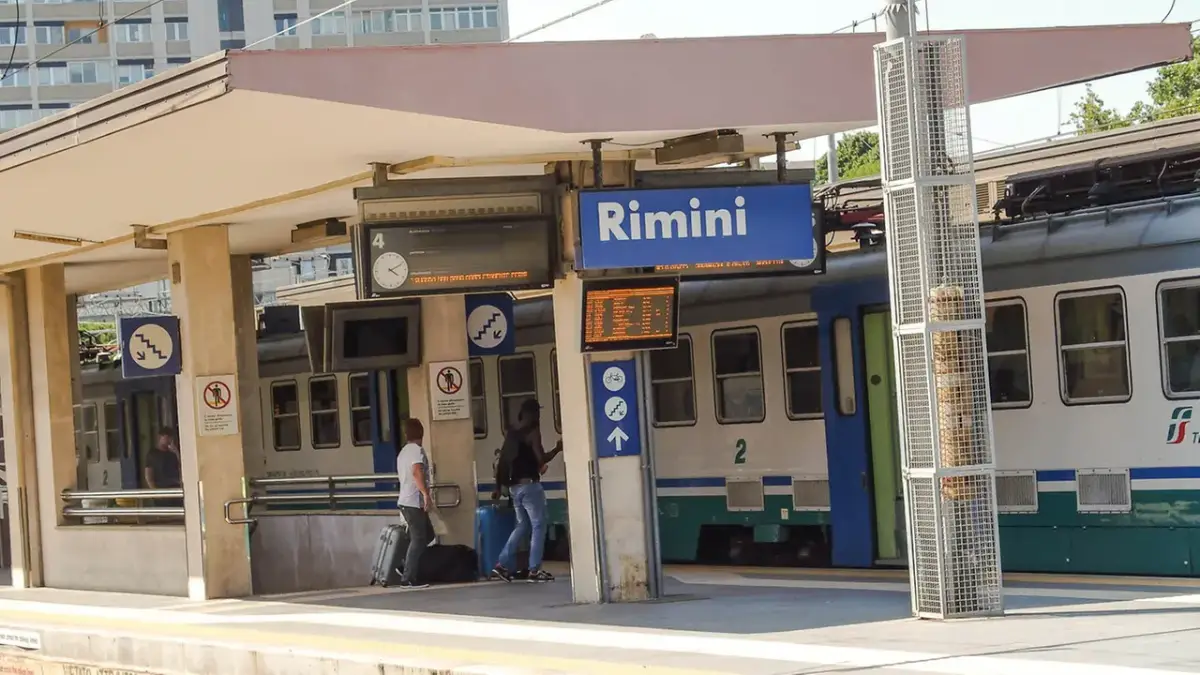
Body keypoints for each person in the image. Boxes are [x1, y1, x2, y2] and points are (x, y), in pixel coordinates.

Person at [490, 399, 562, 583]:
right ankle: (534, 570)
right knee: (538, 526)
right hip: (530, 487)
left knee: (522, 526)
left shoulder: (512, 432)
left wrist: (498, 487)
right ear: (534, 414)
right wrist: (557, 449)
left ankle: (501, 564)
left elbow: (503, 462)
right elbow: (541, 459)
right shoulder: (532, 432)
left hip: (514, 488)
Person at [395, 418, 434, 590]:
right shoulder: (416, 451)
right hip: (412, 501)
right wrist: (426, 494)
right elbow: (417, 472)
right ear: (421, 432)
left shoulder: (403, 451)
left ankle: (405, 566)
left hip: (407, 501)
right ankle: (408, 578)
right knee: (419, 539)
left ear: (406, 434)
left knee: (428, 535)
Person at [144, 428, 182, 509]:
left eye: (171, 438)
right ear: (160, 438)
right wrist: (155, 491)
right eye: (167, 437)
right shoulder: (152, 454)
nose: (169, 440)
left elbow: (180, 468)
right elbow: (148, 476)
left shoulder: (173, 453)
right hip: (161, 488)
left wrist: (176, 453)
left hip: (175, 488)